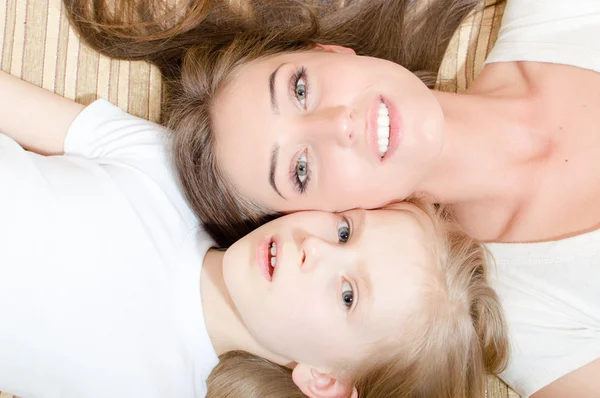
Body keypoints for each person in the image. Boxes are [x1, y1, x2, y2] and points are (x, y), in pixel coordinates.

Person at [63, 0, 600, 396]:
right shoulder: (538, 325)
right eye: (300, 169)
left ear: (333, 52)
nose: (336, 124)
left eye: (299, 89)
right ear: (311, 219)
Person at [0, 71, 506, 398]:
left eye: (348, 295)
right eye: (346, 231)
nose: (315, 249)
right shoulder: (167, 170)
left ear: (324, 378)